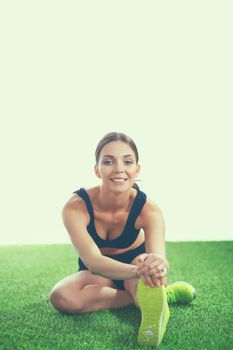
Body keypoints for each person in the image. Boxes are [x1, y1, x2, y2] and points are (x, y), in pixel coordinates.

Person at [49, 131, 197, 347]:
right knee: (61, 297)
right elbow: (94, 262)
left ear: (137, 169)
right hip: (99, 271)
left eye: (127, 162)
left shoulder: (149, 210)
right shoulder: (75, 207)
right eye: (108, 161)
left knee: (145, 265)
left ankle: (152, 295)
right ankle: (158, 296)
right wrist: (139, 273)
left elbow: (157, 257)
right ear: (97, 170)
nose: (119, 169)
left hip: (137, 265)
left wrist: (157, 266)